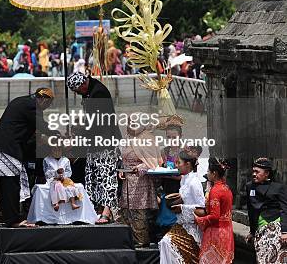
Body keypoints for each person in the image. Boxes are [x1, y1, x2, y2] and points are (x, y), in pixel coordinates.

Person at [0, 87, 54, 227]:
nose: (45, 110)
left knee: (5, 184)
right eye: (47, 106)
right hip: (7, 149)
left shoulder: (21, 101)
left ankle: (8, 217)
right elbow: (42, 126)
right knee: (11, 184)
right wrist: (58, 134)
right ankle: (13, 220)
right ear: (43, 100)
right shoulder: (31, 106)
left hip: (0, 147)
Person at [67, 71, 122, 224]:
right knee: (94, 175)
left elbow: (98, 122)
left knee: (106, 176)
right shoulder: (89, 92)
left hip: (105, 141)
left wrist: (80, 135)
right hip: (95, 141)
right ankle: (97, 209)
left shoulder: (98, 93)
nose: (78, 94)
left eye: (78, 91)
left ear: (83, 84)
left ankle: (106, 212)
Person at [118, 114, 163, 247]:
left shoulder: (147, 138)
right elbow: (124, 158)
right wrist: (122, 169)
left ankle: (142, 245)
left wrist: (141, 167)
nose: (130, 125)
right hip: (128, 183)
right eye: (129, 122)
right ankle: (129, 244)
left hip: (141, 182)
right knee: (126, 215)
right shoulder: (128, 137)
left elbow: (155, 162)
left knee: (140, 215)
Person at [158, 150, 205, 264]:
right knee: (165, 242)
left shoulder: (194, 182)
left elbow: (202, 210)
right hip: (181, 223)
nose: (176, 165)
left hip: (192, 228)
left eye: (179, 162)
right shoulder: (184, 180)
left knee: (167, 242)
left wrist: (182, 208)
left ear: (187, 164)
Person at [244, 157, 287, 264]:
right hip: (260, 229)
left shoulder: (278, 188)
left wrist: (285, 232)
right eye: (253, 171)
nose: (254, 174)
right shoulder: (250, 186)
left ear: (267, 173)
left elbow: (284, 209)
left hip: (276, 228)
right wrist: (252, 231)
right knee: (262, 258)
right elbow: (251, 210)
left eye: (257, 172)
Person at [194, 158, 234, 264]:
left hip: (216, 232)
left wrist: (199, 219)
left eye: (208, 171)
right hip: (227, 231)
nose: (207, 173)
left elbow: (215, 216)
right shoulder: (226, 188)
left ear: (214, 173)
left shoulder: (215, 191)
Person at [43, 146, 80, 211]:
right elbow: (46, 173)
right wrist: (55, 173)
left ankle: (73, 204)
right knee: (56, 185)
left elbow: (69, 172)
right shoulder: (47, 160)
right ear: (51, 150)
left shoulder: (65, 160)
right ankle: (55, 203)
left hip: (64, 179)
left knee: (70, 187)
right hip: (53, 179)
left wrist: (63, 176)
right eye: (55, 150)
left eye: (59, 150)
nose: (57, 152)